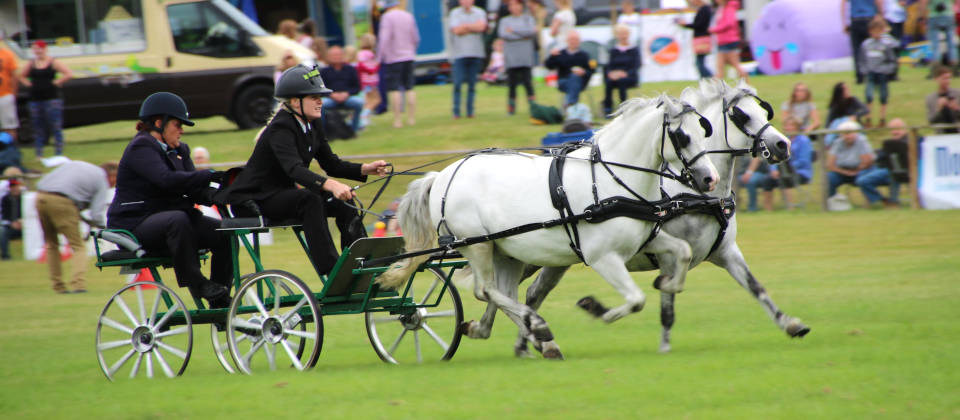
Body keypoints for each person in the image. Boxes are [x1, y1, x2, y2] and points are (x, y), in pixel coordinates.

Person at [220, 65, 389, 277]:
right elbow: (294, 170)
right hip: (257, 198)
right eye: (313, 97)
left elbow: (332, 164)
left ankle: (360, 261)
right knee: (309, 199)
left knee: (343, 200)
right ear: (294, 101)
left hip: (283, 194)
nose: (320, 100)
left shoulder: (313, 124)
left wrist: (366, 169)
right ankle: (333, 270)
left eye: (320, 96)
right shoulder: (281, 127)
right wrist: (332, 184)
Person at [106, 92, 231, 307]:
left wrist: (224, 193)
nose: (182, 130)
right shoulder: (141, 147)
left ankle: (219, 296)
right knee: (178, 219)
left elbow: (193, 189)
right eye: (177, 124)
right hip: (136, 223)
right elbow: (166, 180)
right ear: (158, 123)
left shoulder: (180, 150)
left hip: (167, 220)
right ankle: (197, 283)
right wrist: (210, 174)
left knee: (224, 232)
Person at [37, 160, 116, 293]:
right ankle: (78, 285)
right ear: (111, 176)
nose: (113, 185)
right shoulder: (101, 179)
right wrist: (107, 229)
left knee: (52, 244)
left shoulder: (77, 165)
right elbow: (96, 214)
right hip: (63, 202)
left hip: (40, 197)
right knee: (78, 246)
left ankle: (58, 286)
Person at [19, 40, 72, 157]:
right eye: (34, 49)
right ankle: (39, 153)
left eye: (39, 48)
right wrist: (30, 84)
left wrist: (57, 82)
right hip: (36, 99)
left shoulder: (53, 62)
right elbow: (21, 76)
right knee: (38, 126)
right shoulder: (31, 63)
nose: (37, 51)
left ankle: (58, 152)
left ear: (45, 49)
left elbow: (68, 73)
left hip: (52, 98)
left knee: (55, 125)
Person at [826, 120, 893, 207]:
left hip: (863, 169)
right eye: (844, 133)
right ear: (840, 134)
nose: (847, 136)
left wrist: (856, 171)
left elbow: (867, 162)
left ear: (855, 133)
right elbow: (830, 165)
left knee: (863, 179)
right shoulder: (837, 143)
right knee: (829, 178)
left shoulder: (861, 141)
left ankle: (878, 200)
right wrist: (845, 172)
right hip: (842, 171)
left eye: (850, 133)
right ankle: (833, 203)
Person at [378, 0, 420, 128]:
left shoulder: (386, 17)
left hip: (393, 58)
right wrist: (411, 50)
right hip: (409, 56)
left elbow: (384, 38)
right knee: (409, 87)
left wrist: (379, 57)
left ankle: (397, 120)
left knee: (394, 89)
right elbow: (416, 38)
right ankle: (411, 118)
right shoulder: (408, 15)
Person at [450, 0, 488, 119]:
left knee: (472, 85)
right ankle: (456, 112)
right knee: (457, 84)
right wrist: (473, 26)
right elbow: (456, 31)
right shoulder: (454, 13)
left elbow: (481, 27)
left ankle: (470, 111)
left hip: (475, 53)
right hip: (459, 54)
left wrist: (465, 26)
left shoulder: (480, 12)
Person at [498, 0, 538, 115]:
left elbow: (531, 32)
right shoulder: (504, 21)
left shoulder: (528, 19)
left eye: (517, 4)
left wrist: (514, 31)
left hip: (525, 57)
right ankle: (511, 109)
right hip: (511, 57)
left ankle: (533, 107)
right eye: (512, 5)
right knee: (512, 84)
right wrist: (523, 35)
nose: (515, 7)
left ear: (521, 6)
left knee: (527, 82)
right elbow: (504, 34)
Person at [860, 18, 899, 127]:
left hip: (882, 74)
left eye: (879, 31)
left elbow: (892, 61)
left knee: (883, 96)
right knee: (869, 95)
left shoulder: (886, 45)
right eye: (874, 31)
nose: (876, 34)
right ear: (870, 31)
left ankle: (882, 118)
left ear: (882, 31)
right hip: (870, 73)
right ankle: (868, 118)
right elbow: (862, 60)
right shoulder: (866, 44)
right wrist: (864, 70)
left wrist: (887, 70)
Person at [320, 46, 364, 133]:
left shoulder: (351, 69)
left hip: (348, 97)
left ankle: (354, 130)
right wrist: (331, 95)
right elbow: (320, 88)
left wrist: (347, 94)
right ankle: (323, 131)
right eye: (334, 55)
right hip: (330, 98)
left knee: (359, 103)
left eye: (338, 54)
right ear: (329, 57)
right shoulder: (324, 71)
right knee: (320, 105)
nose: (337, 57)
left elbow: (357, 87)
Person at [545, 31, 595, 108]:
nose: (573, 42)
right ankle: (572, 105)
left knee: (575, 78)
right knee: (573, 80)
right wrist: (552, 56)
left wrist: (583, 72)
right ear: (567, 41)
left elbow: (591, 70)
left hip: (580, 82)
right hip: (563, 81)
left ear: (579, 41)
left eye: (576, 39)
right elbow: (549, 66)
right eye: (571, 39)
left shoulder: (585, 55)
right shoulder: (560, 53)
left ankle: (570, 105)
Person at [603, 24, 640, 116]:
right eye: (620, 34)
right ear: (617, 35)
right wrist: (611, 74)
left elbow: (636, 65)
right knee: (608, 82)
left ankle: (624, 107)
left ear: (628, 35)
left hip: (630, 76)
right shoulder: (613, 50)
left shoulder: (634, 50)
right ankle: (608, 108)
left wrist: (625, 74)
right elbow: (609, 66)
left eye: (625, 34)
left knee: (622, 81)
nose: (623, 36)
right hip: (616, 76)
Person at [777, 116, 815, 208]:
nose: (788, 128)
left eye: (791, 126)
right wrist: (773, 169)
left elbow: (804, 161)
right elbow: (776, 156)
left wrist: (789, 167)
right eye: (786, 126)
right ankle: (768, 210)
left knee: (785, 178)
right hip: (783, 170)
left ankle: (790, 207)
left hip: (801, 172)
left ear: (797, 127)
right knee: (768, 180)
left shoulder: (804, 141)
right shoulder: (783, 140)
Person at [842, 0, 884, 84]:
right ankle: (874, 75)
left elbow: (843, 4)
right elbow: (878, 1)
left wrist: (844, 22)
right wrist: (881, 15)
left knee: (857, 50)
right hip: (870, 20)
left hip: (855, 21)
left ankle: (860, 77)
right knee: (872, 49)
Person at [872, 117, 910, 205]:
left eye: (897, 129)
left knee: (894, 173)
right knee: (864, 179)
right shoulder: (890, 143)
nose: (894, 132)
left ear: (904, 129)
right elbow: (881, 156)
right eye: (892, 130)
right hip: (890, 170)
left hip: (908, 171)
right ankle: (885, 202)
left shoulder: (911, 140)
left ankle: (893, 202)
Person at [675, 0, 713, 79]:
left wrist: (685, 24)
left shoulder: (704, 9)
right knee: (699, 62)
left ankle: (710, 78)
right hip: (702, 38)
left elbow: (699, 25)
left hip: (702, 39)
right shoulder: (704, 9)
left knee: (699, 63)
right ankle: (706, 80)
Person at [709, 0, 746, 80]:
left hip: (728, 41)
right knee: (721, 66)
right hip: (723, 41)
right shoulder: (722, 8)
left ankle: (746, 84)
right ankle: (717, 87)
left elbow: (729, 23)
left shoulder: (729, 8)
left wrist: (715, 29)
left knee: (730, 65)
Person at [920, 0, 957, 69]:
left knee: (935, 44)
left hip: (934, 16)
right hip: (949, 15)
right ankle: (954, 65)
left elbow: (924, 2)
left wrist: (922, 16)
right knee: (951, 43)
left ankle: (936, 66)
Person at [926, 64, 960, 133]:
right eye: (944, 78)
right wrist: (939, 110)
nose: (948, 81)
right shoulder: (930, 98)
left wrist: (956, 109)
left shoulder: (958, 94)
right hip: (941, 136)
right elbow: (931, 122)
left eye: (949, 78)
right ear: (936, 79)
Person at [357, 33, 381, 128]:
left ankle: (364, 116)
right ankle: (364, 115)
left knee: (367, 100)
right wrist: (375, 67)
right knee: (376, 100)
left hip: (364, 81)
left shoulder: (359, 53)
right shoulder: (369, 54)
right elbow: (368, 67)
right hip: (370, 82)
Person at [0, 32, 19, 142]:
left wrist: (13, 94)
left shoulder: (7, 54)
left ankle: (10, 153)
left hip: (5, 95)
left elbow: (14, 75)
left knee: (9, 126)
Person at [0, 178, 23, 260]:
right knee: (2, 231)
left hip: (26, 225)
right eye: (12, 186)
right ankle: (5, 256)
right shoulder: (5, 199)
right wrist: (12, 223)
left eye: (15, 186)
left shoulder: (24, 197)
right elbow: (5, 215)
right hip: (12, 226)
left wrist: (22, 221)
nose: (14, 188)